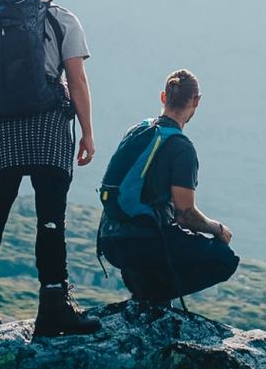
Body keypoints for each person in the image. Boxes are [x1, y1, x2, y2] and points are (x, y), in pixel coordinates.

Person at [0, 0, 101, 337]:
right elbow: (77, 80)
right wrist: (87, 133)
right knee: (50, 218)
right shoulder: (63, 20)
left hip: (2, 128)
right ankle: (54, 303)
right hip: (48, 127)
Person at [96, 69, 239, 306]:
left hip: (112, 239)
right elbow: (185, 215)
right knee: (224, 259)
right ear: (196, 101)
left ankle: (146, 295)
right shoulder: (181, 148)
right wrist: (218, 229)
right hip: (145, 241)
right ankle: (154, 296)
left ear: (163, 97)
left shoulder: (138, 131)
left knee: (162, 250)